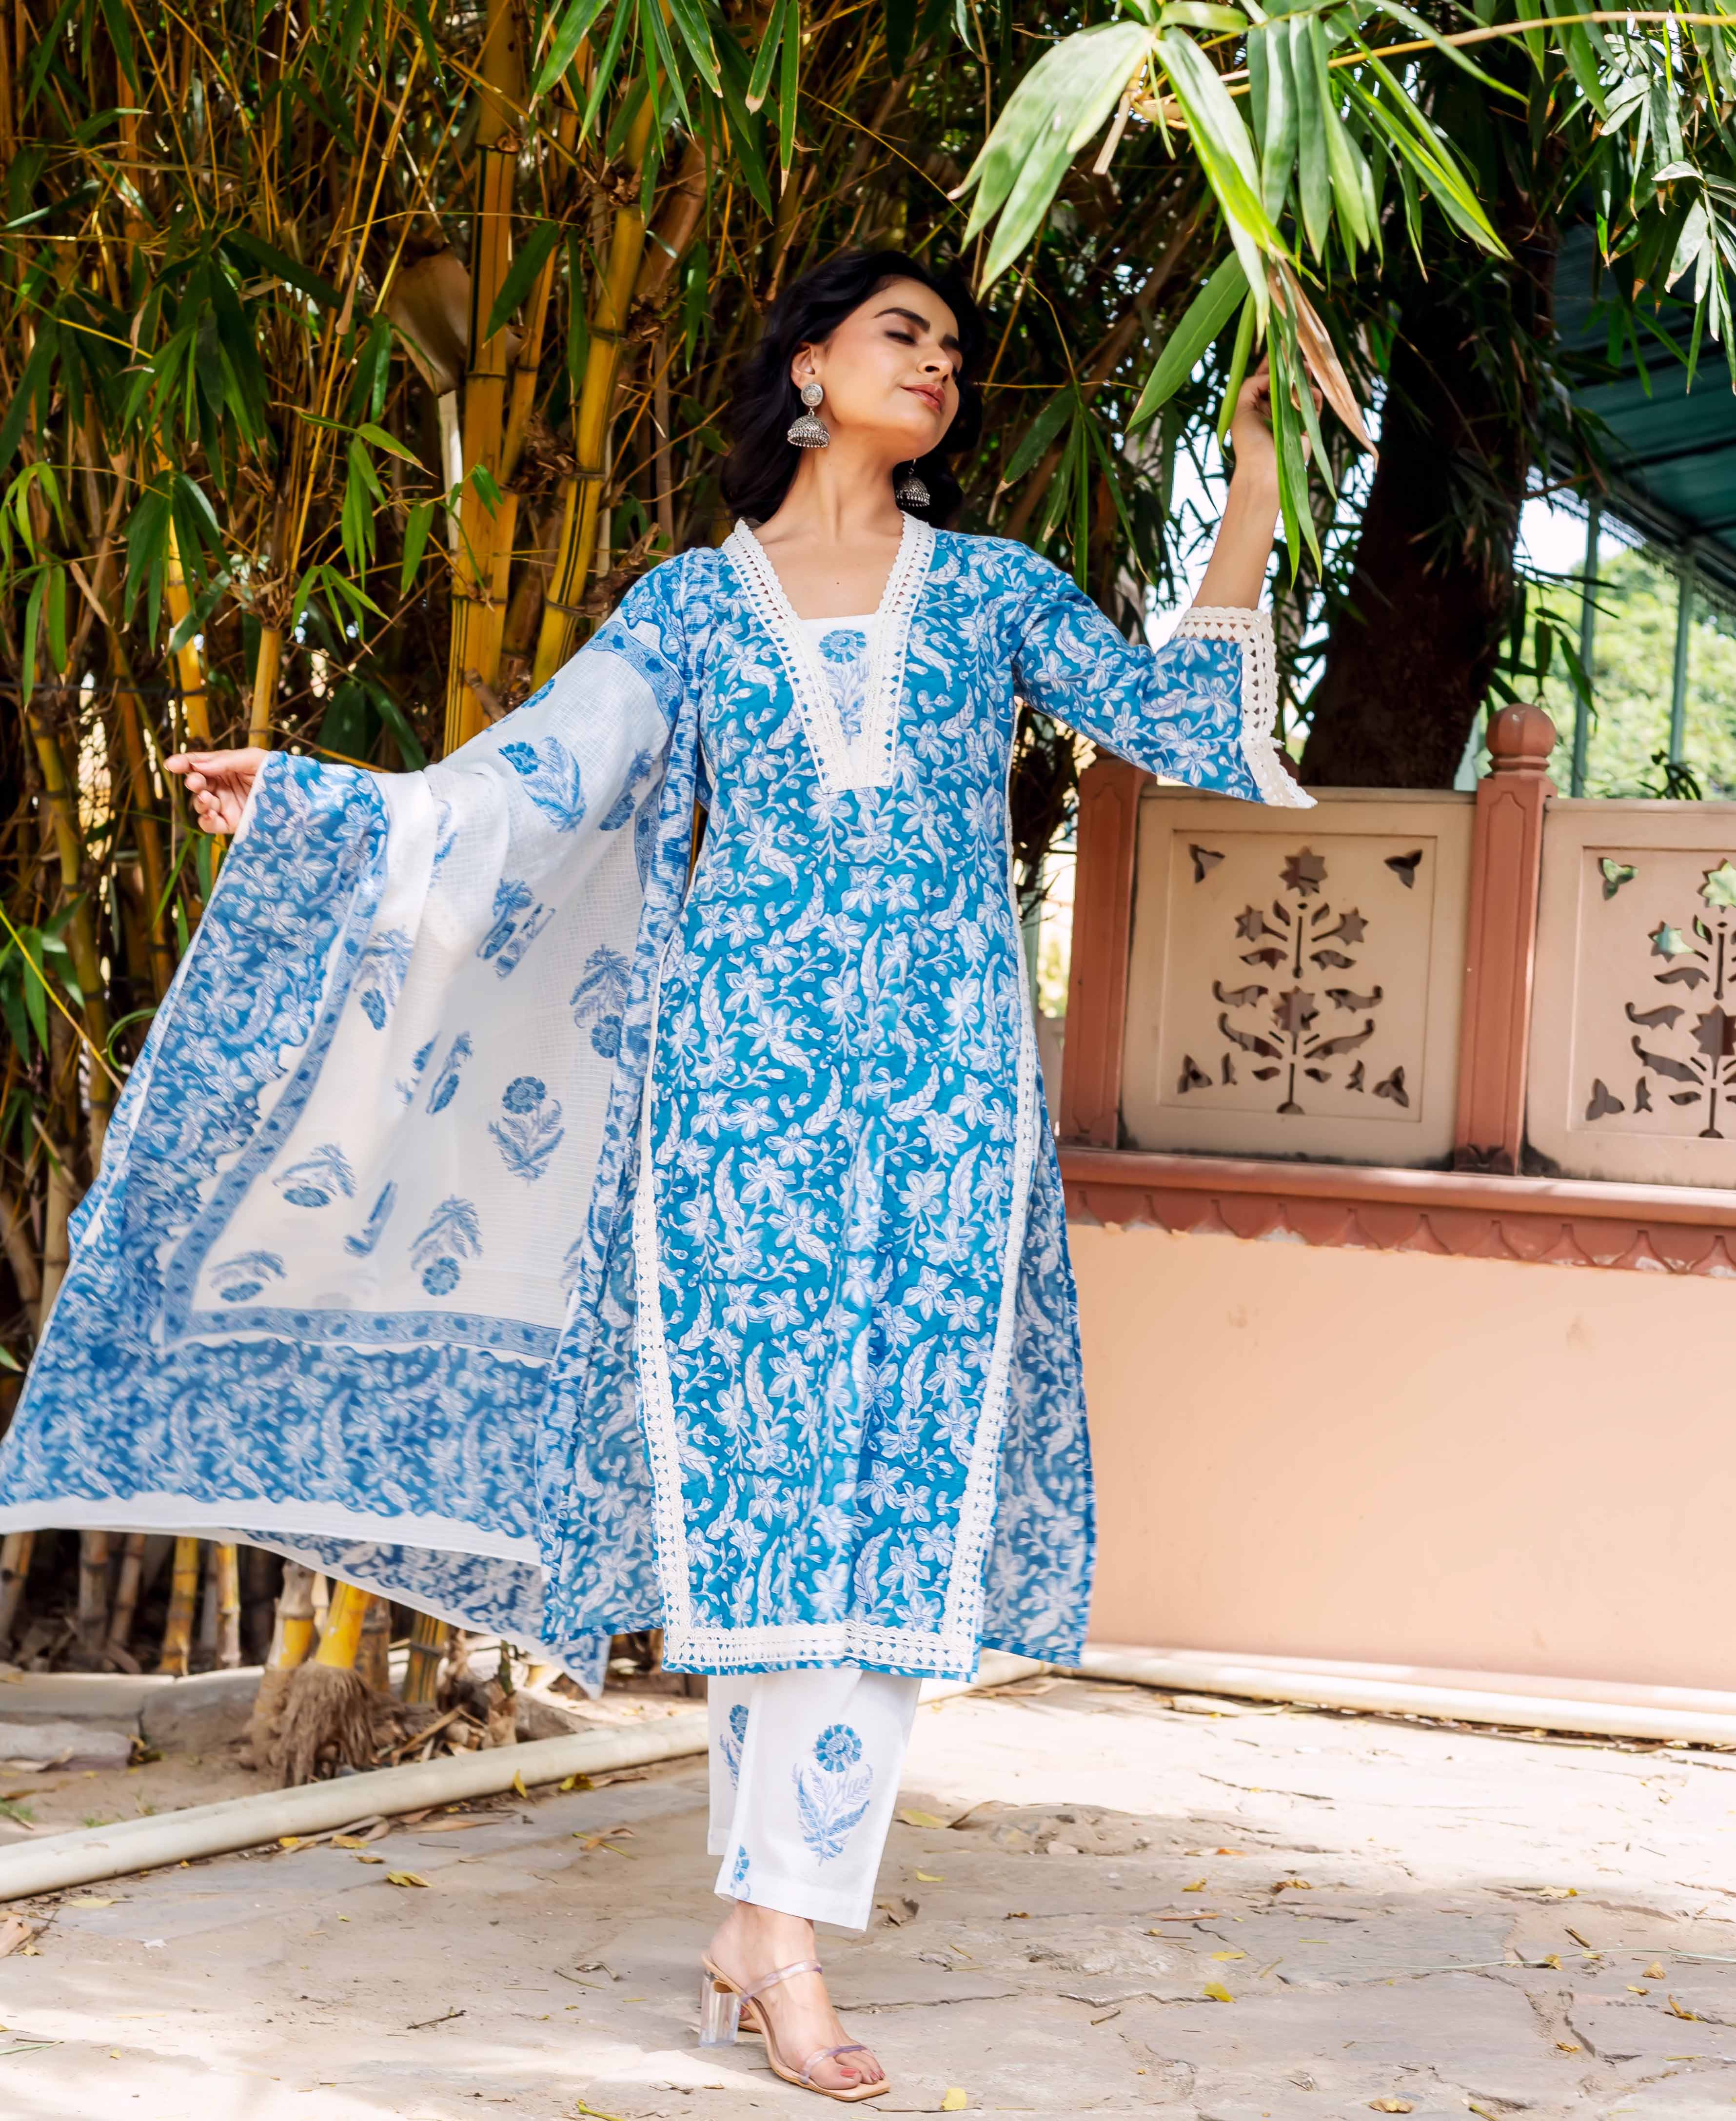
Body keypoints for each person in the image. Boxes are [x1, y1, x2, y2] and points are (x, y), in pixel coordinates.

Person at [0, 249, 1309, 2101]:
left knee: (897, 1505)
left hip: (946, 1110)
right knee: (765, 1503)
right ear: (810, 366)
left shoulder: (999, 591)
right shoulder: (693, 609)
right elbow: (526, 785)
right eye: (904, 334)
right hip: (734, 1107)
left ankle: (773, 1924)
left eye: (955, 348)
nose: (939, 364)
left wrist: (1250, 487)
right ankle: (773, 1934)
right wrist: (328, 804)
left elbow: (1181, 726)